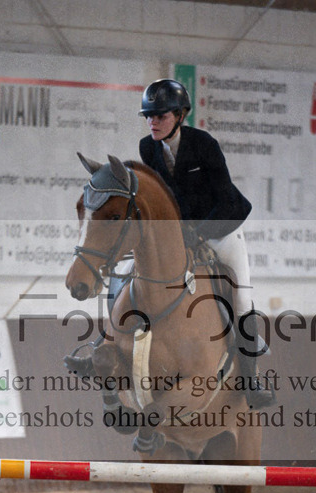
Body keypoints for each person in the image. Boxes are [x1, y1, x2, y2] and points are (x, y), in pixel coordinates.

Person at [66, 78, 274, 410]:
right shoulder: (148, 147)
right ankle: (103, 341)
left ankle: (251, 379)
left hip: (222, 227)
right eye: (149, 116)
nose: (153, 122)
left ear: (179, 115)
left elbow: (226, 200)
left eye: (160, 116)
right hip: (179, 234)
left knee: (241, 297)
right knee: (127, 273)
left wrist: (200, 232)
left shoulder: (204, 145)